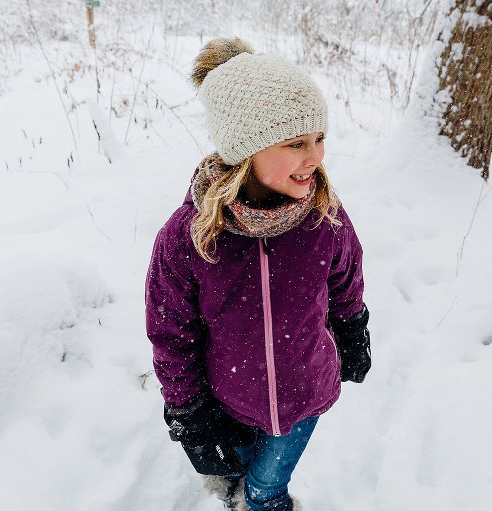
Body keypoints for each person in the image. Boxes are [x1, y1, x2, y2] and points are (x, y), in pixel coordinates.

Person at [145, 37, 371, 511]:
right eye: (295, 144)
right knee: (234, 464)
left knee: (267, 484)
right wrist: (189, 410)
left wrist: (352, 329)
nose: (315, 158)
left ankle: (264, 498)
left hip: (304, 395)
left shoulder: (324, 217)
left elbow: (346, 280)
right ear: (245, 150)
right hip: (227, 398)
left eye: (318, 139)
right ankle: (233, 484)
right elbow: (171, 332)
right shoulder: (190, 237)